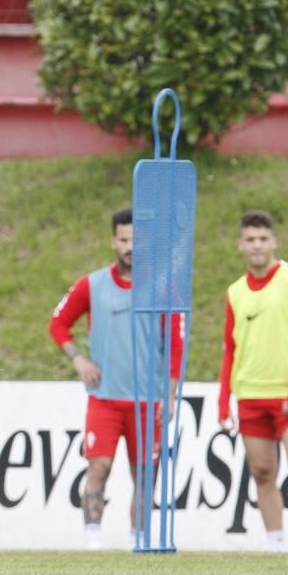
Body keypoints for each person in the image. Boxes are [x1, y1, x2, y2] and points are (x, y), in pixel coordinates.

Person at [49, 208, 182, 550]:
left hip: (147, 401)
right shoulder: (92, 285)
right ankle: (91, 542)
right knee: (99, 467)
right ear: (113, 241)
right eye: (124, 240)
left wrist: (169, 395)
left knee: (144, 474)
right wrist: (78, 360)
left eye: (137, 241)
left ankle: (139, 541)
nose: (130, 247)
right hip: (105, 398)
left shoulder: (163, 289)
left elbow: (175, 346)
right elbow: (58, 324)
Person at [218, 210, 288, 552]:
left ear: (274, 241)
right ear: (240, 245)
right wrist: (223, 402)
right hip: (250, 395)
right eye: (250, 239)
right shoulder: (235, 291)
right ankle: (276, 544)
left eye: (263, 239)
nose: (257, 246)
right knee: (262, 473)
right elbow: (229, 350)